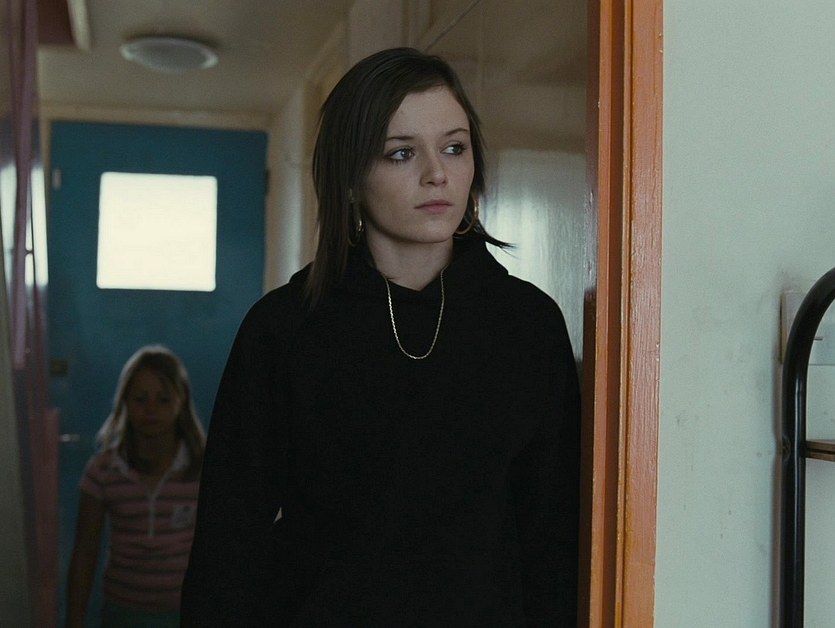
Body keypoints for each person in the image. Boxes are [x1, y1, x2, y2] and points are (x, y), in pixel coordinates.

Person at [181, 47, 581, 627]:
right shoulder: (283, 330)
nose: (437, 174)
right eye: (401, 153)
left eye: (454, 147)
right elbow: (228, 543)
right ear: (350, 177)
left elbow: (552, 539)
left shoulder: (527, 326)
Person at [66, 344, 205, 628]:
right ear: (124, 402)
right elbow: (84, 553)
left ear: (181, 402)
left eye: (163, 399)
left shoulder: (201, 469)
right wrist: (74, 620)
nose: (151, 409)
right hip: (123, 614)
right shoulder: (103, 470)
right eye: (140, 399)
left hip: (186, 612)